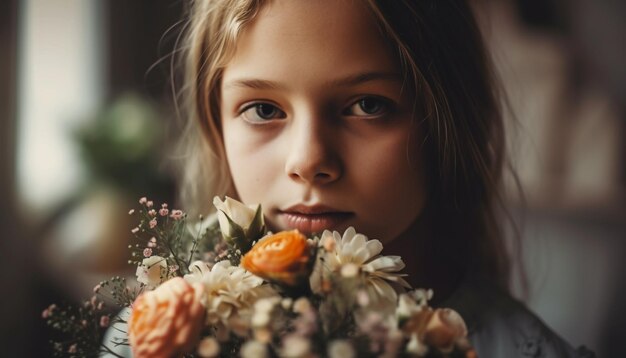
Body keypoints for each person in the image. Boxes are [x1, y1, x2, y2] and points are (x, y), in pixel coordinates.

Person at [105, 0, 594, 356]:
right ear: (217, 125)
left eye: (368, 106)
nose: (309, 159)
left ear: (445, 122)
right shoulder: (154, 339)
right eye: (263, 109)